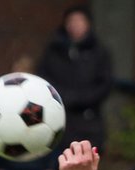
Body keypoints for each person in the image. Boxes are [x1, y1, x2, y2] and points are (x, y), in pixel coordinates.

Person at [36, 6, 113, 156]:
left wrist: (78, 99)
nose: (75, 25)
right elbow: (44, 79)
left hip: (89, 121)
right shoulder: (53, 51)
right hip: (58, 118)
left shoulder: (99, 53)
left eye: (79, 21)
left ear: (88, 24)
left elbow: (104, 85)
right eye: (71, 21)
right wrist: (62, 97)